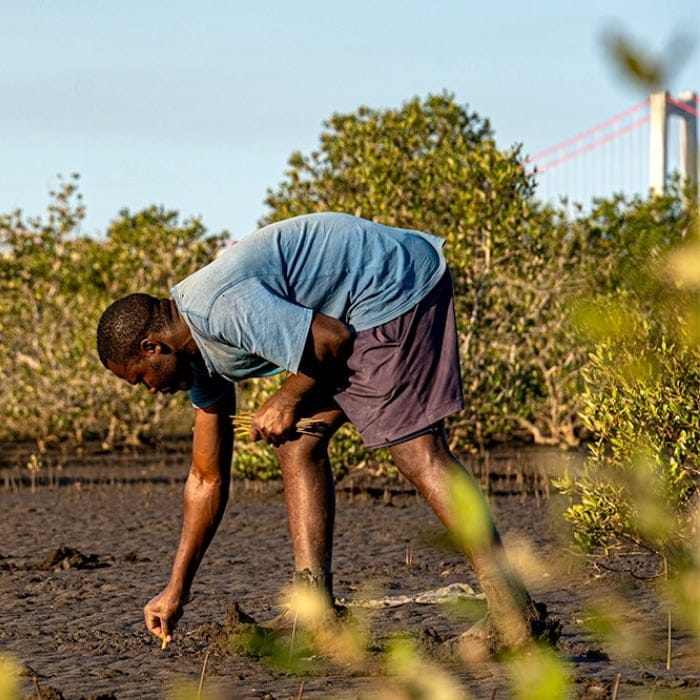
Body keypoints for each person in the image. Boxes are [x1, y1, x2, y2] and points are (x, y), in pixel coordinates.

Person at [96, 212, 555, 656]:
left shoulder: (219, 308)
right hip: (353, 314)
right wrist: (176, 590)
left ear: (152, 347)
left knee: (418, 453)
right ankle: (314, 615)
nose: (152, 391)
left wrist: (288, 398)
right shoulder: (194, 360)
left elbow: (333, 341)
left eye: (141, 379)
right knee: (298, 443)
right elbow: (206, 479)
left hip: (392, 288)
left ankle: (513, 613)